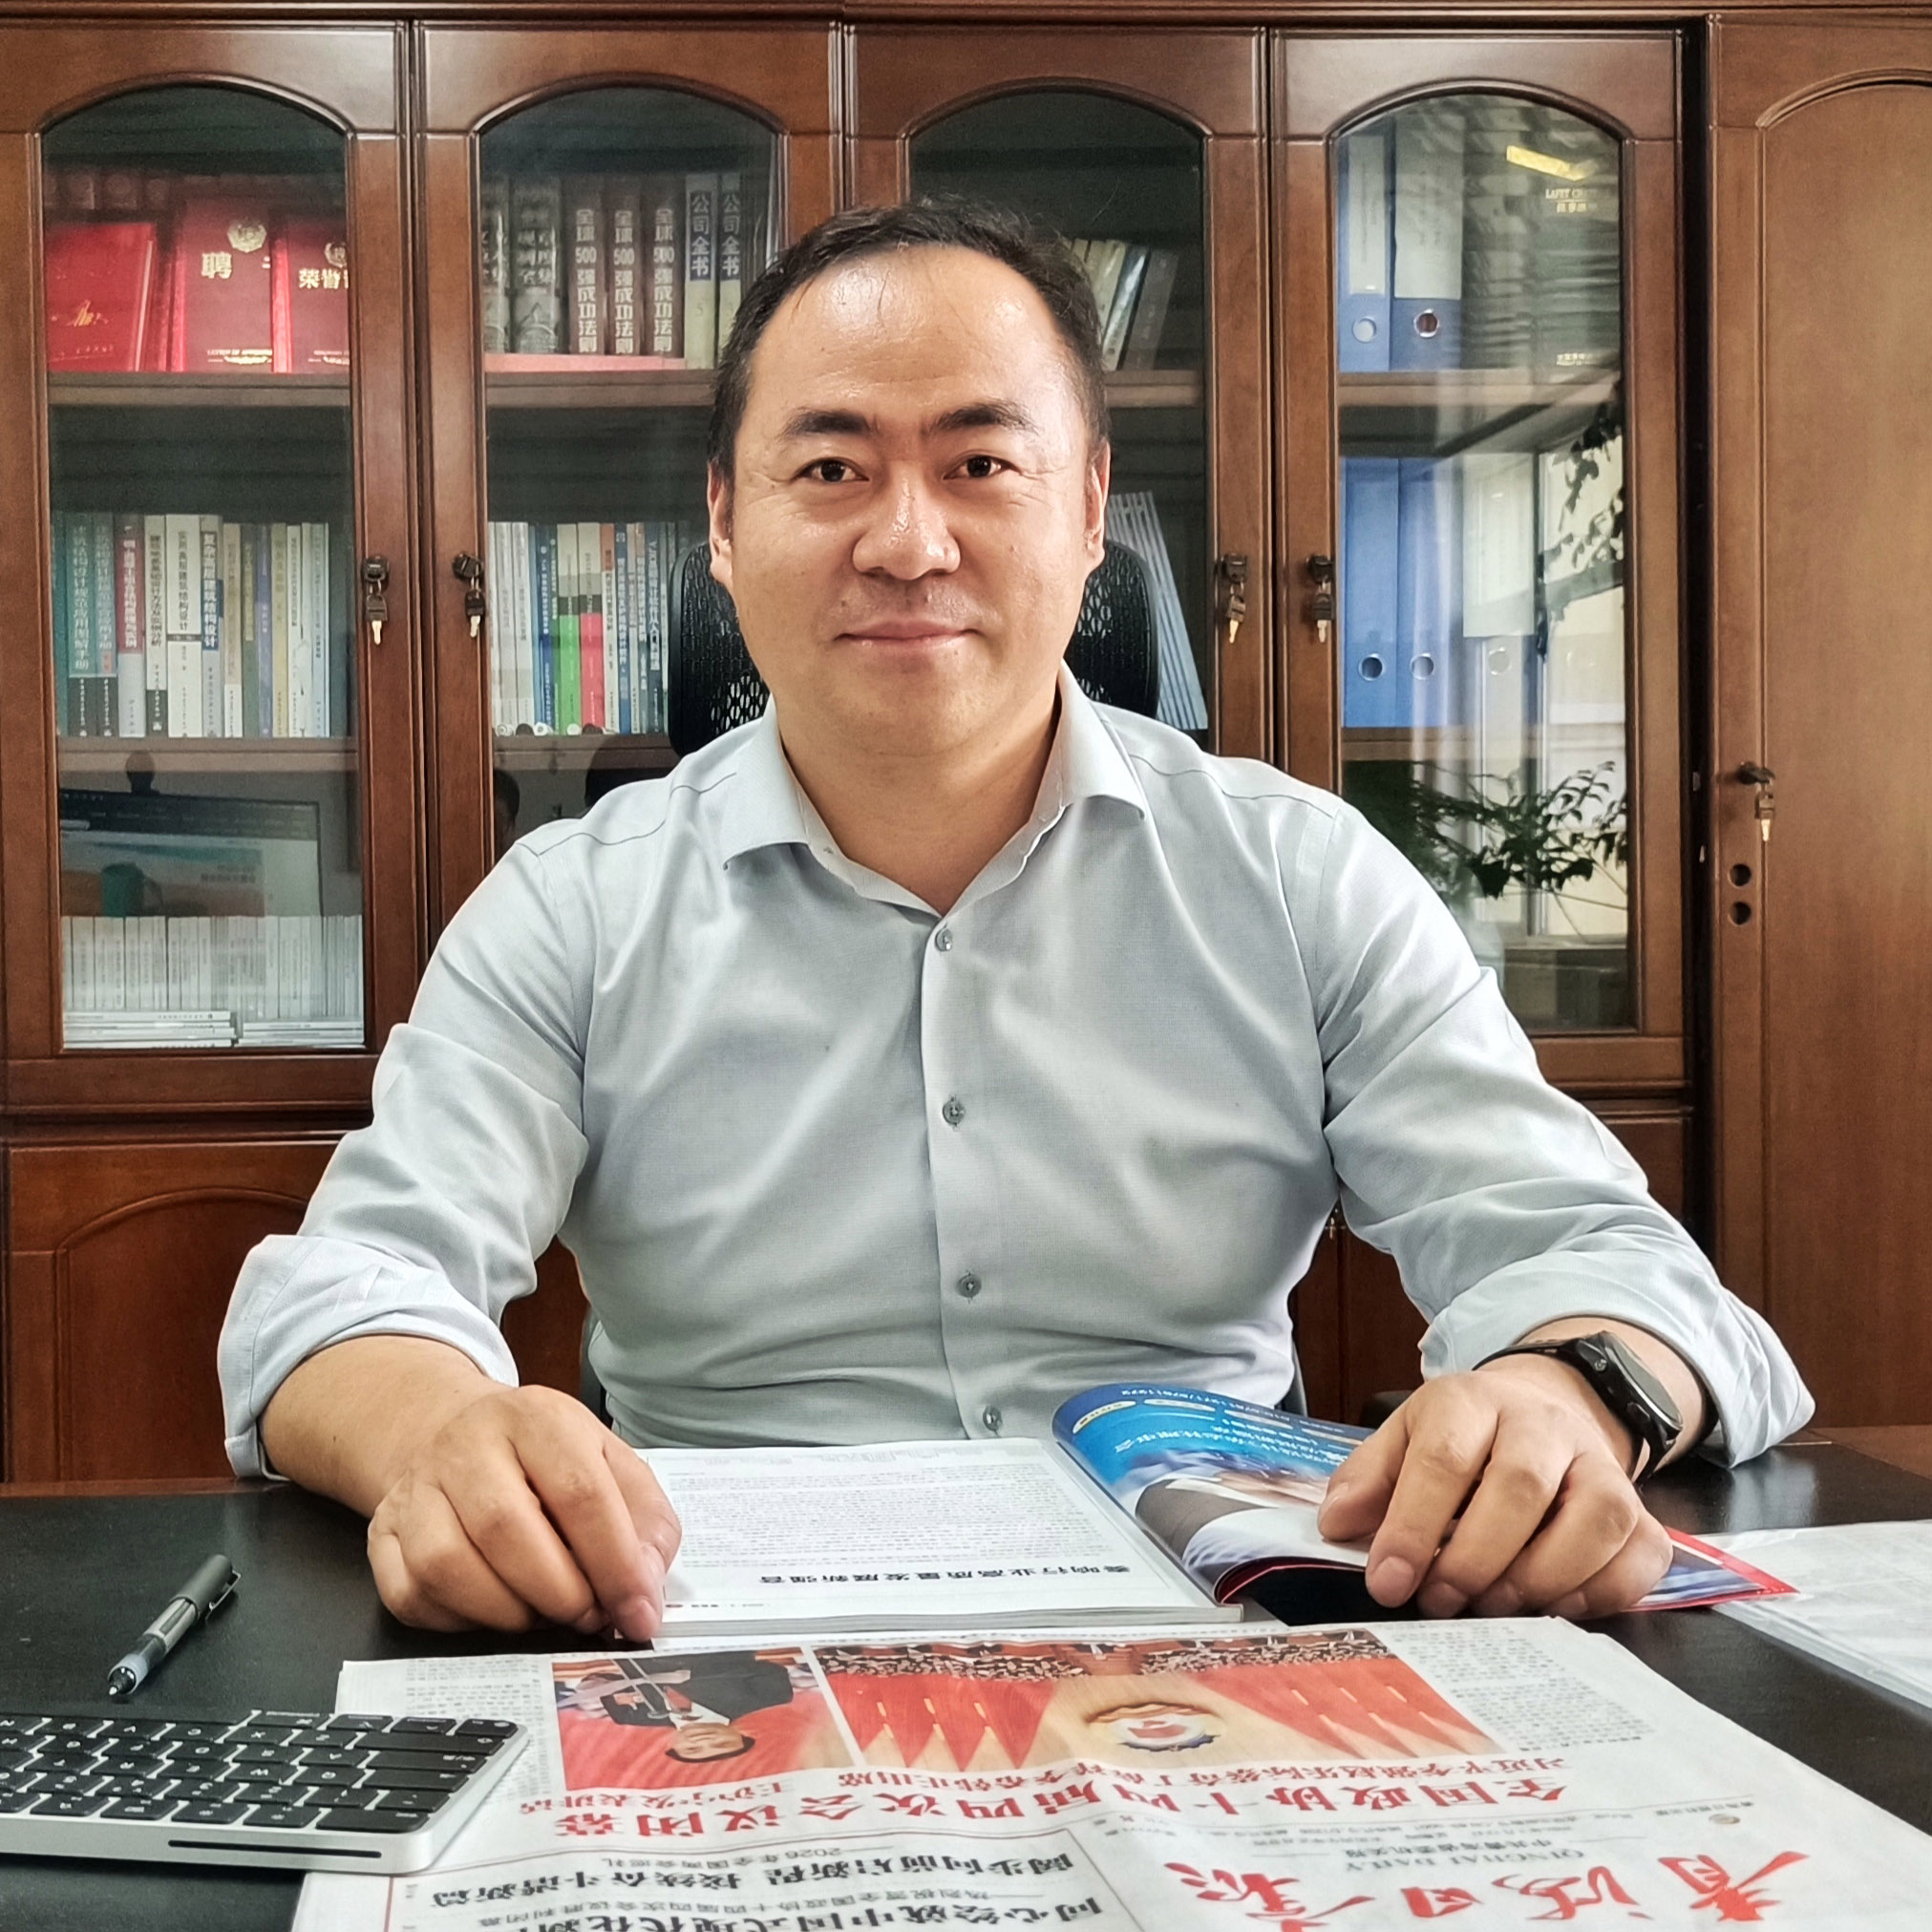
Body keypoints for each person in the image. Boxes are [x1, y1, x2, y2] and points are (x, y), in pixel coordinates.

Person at [219, 200, 1812, 1647]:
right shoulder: (575, 903)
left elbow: (1614, 1265)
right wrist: (443, 1438)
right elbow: (339, 1300)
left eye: (981, 464)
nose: (908, 543)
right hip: (713, 1636)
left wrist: (1563, 1396)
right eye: (831, 469)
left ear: (1092, 506)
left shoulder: (1295, 874)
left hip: (1227, 1635)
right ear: (722, 524)